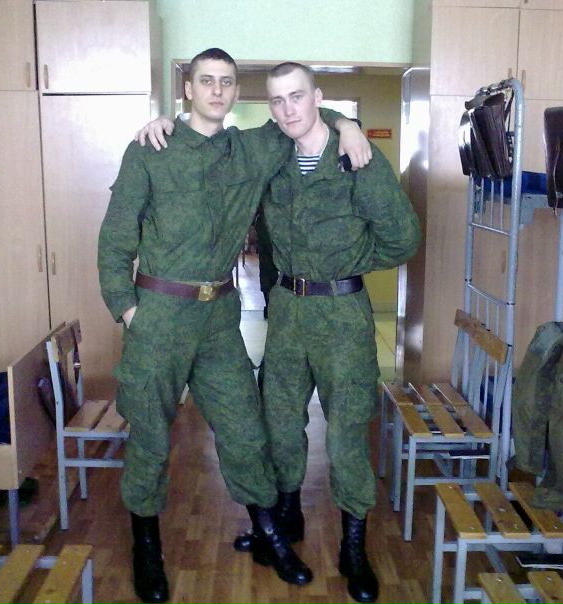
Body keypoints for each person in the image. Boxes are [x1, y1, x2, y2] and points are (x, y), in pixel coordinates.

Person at [137, 62, 421, 603]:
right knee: (281, 422)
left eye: (298, 97)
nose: (289, 109)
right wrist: (164, 120)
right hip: (286, 308)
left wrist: (348, 263)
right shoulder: (273, 159)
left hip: (341, 313)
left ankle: (353, 546)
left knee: (346, 430)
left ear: (317, 97)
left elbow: (403, 238)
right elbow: (209, 141)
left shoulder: (355, 156)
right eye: (277, 100)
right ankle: (287, 520)